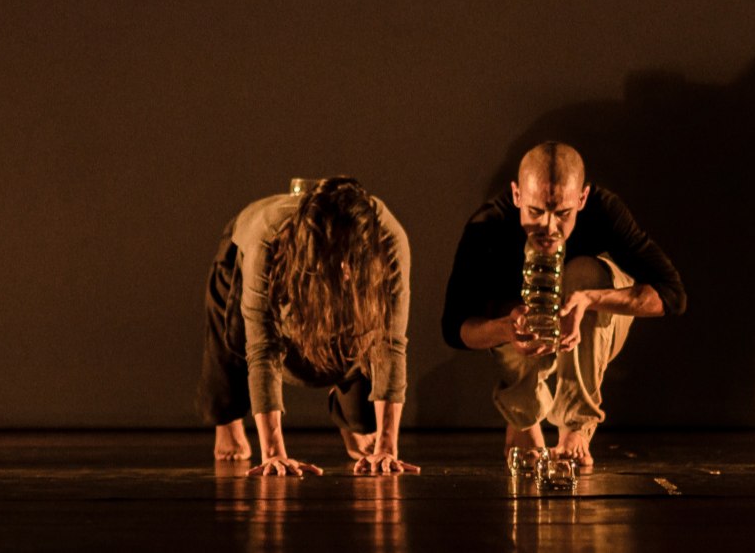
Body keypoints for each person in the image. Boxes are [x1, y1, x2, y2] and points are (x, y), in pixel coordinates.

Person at [442, 142, 686, 465]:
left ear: (582, 199)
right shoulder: (488, 226)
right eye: (535, 212)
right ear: (517, 196)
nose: (549, 227)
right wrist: (505, 329)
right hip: (527, 330)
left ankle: (576, 427)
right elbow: (454, 327)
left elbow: (671, 295)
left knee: (584, 272)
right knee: (506, 307)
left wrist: (589, 300)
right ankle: (523, 417)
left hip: (593, 331)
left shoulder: (605, 211)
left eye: (563, 214)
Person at [199, 177, 420, 476]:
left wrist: (387, 448)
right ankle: (227, 421)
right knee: (233, 336)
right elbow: (262, 347)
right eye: (338, 262)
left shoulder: (389, 241)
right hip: (251, 257)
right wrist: (273, 453)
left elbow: (390, 343)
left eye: (352, 261)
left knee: (364, 424)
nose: (345, 270)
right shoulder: (268, 241)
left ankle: (346, 407)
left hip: (336, 267)